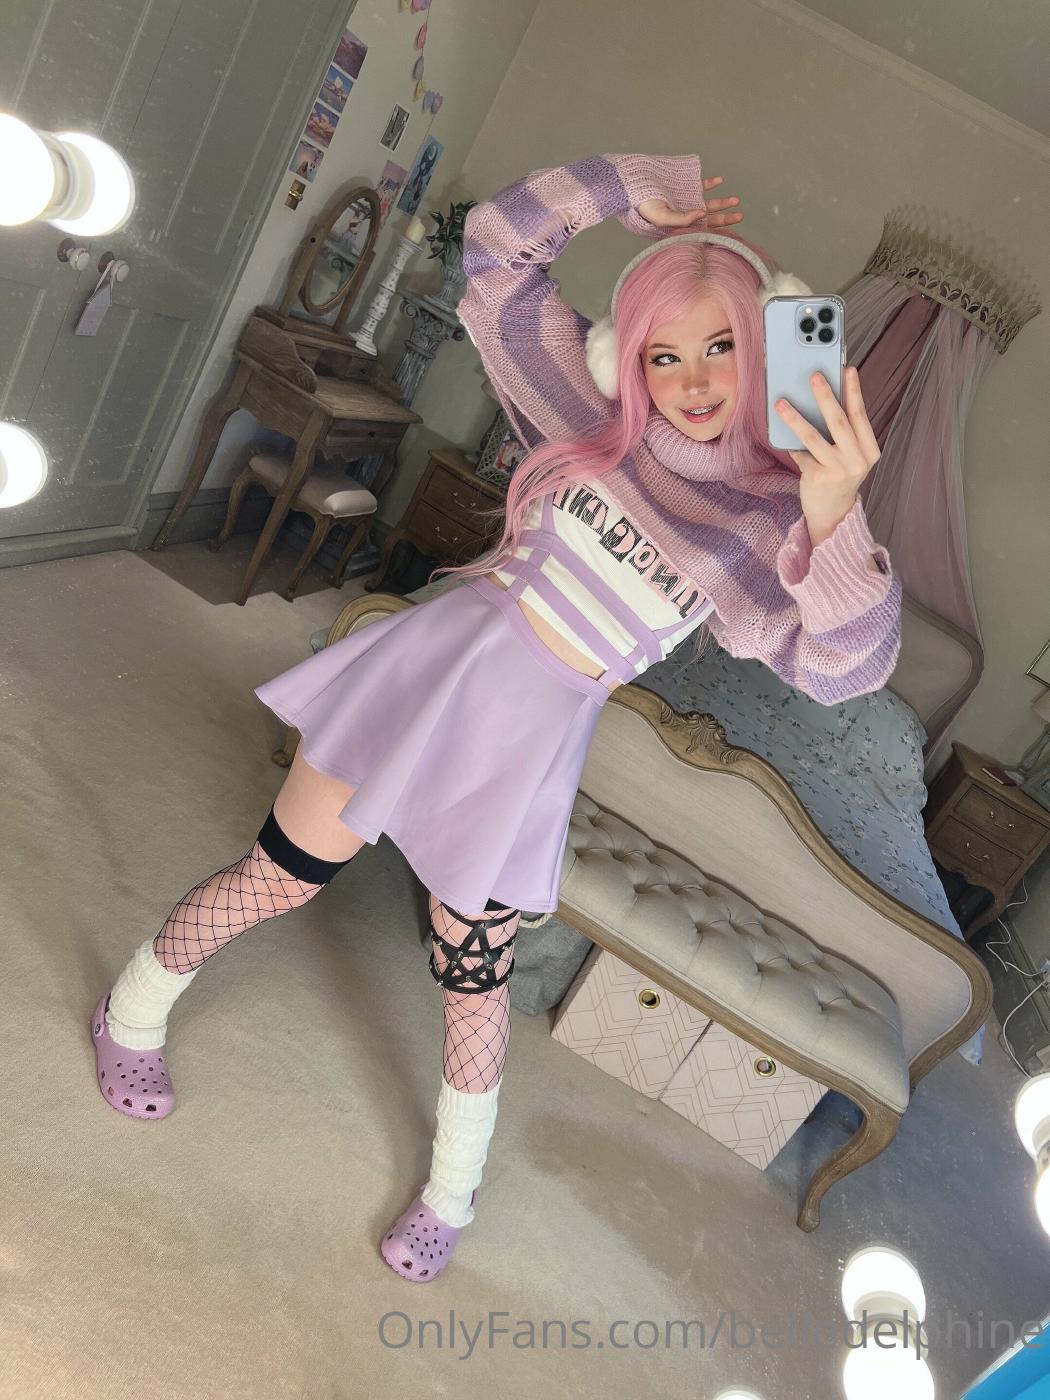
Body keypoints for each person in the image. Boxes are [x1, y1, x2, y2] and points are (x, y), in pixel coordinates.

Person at [90, 151, 900, 1283]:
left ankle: (453, 1191)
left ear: (767, 344)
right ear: (629, 357)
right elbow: (497, 253)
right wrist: (627, 184)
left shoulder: (768, 523)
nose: (693, 378)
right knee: (281, 875)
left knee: (473, 978)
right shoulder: (588, 413)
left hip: (526, 752)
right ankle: (132, 1012)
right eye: (663, 352)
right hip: (425, 677)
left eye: (722, 345)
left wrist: (838, 516)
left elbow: (847, 668)